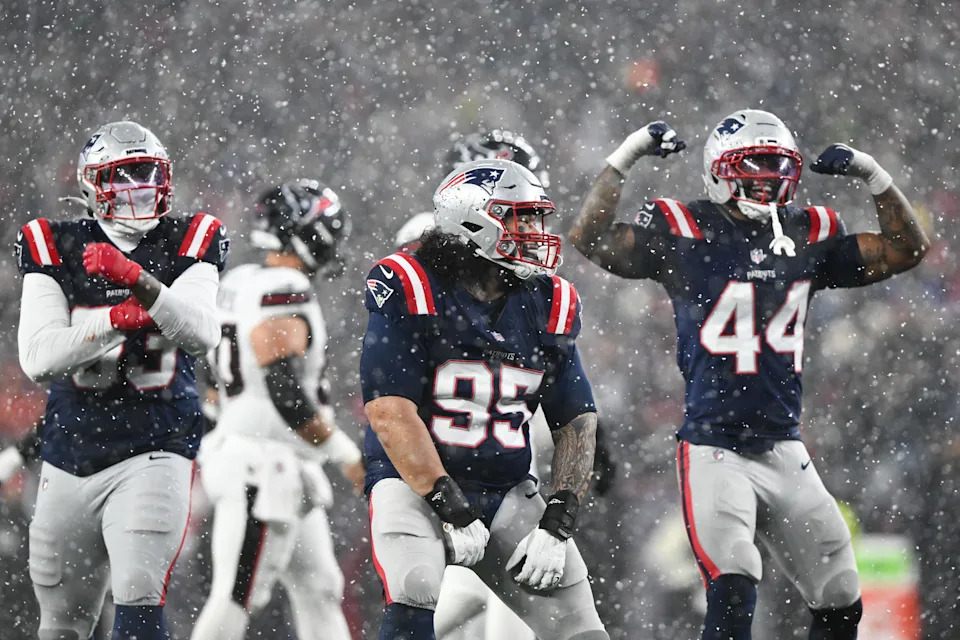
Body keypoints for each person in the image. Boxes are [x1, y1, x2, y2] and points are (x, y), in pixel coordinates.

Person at [567, 110, 930, 640]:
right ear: (718, 171)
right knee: (733, 587)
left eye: (777, 168)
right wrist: (626, 155)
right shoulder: (684, 229)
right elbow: (590, 237)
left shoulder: (807, 234)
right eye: (753, 167)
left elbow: (906, 249)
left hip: (784, 445)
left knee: (839, 598)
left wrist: (875, 175)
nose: (767, 180)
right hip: (715, 448)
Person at [361, 158, 609, 640]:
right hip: (415, 485)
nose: (537, 233)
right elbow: (388, 410)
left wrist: (558, 520)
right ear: (474, 221)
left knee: (581, 627)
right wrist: (447, 503)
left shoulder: (546, 299)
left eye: (539, 219)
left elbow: (576, 420)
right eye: (523, 219)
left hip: (506, 486)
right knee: (415, 591)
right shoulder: (411, 284)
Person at [16, 120, 228, 639]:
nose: (139, 186)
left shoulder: (191, 238)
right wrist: (114, 320)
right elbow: (39, 359)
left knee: (138, 592)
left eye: (148, 172)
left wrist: (139, 280)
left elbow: (202, 333)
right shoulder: (53, 242)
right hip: (70, 451)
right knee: (62, 622)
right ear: (92, 184)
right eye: (124, 174)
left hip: (155, 445)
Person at [191, 179, 364, 640]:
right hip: (263, 465)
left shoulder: (237, 281)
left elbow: (210, 380)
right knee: (237, 595)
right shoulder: (284, 287)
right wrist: (344, 452)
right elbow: (283, 389)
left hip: (271, 458)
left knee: (320, 586)